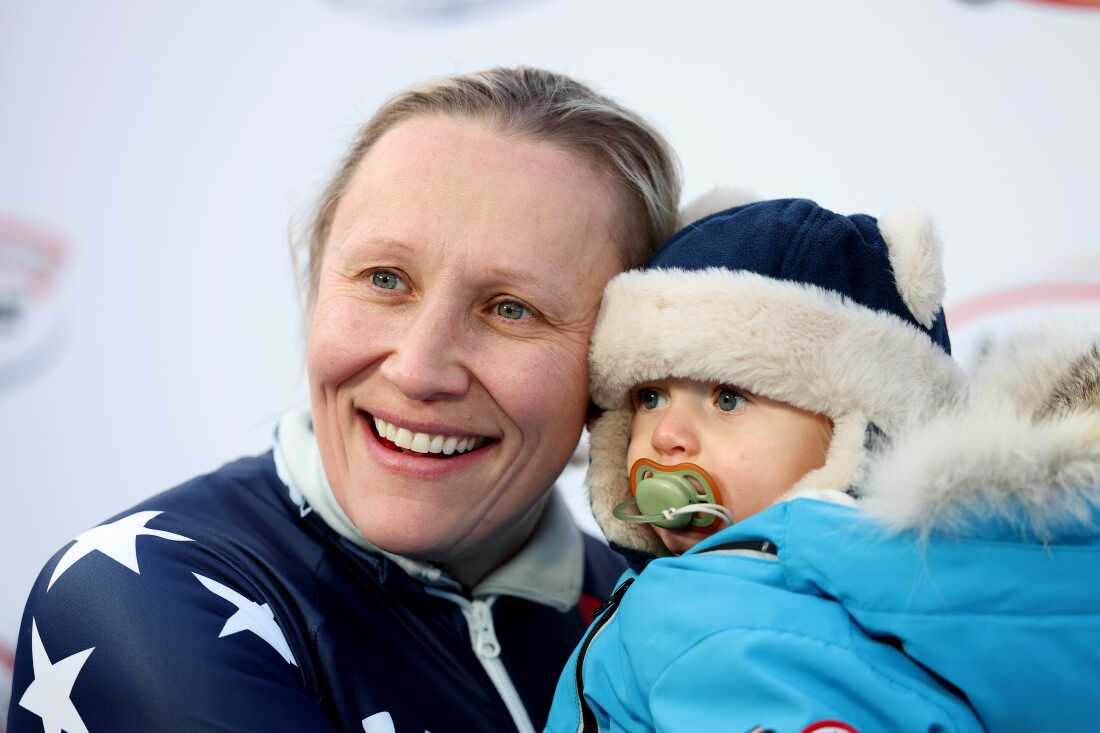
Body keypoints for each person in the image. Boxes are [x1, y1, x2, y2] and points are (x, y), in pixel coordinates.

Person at [7, 67, 682, 733]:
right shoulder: (145, 591)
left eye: (511, 308)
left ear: (619, 364)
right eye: (385, 278)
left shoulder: (665, 609)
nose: (419, 370)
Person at [546, 198, 1100, 732]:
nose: (666, 436)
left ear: (856, 441)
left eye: (729, 399)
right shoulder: (915, 600)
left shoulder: (718, 609)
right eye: (649, 398)